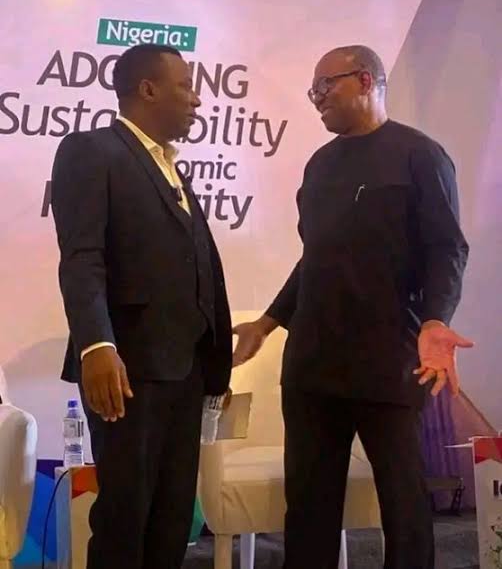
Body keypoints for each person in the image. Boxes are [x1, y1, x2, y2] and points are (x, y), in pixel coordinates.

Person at [232, 45, 474, 569]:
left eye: (325, 86)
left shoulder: (420, 155)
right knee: (309, 506)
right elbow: (316, 258)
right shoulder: (320, 165)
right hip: (312, 365)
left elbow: (447, 248)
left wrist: (436, 318)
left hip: (388, 361)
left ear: (365, 80)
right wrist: (268, 322)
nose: (317, 99)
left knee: (403, 504)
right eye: (313, 91)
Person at [51, 43, 233, 569]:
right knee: (125, 519)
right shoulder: (92, 150)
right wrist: (96, 345)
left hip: (185, 370)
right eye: (186, 86)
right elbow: (82, 257)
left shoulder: (169, 166)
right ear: (148, 90)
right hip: (128, 371)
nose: (196, 99)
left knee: (172, 520)